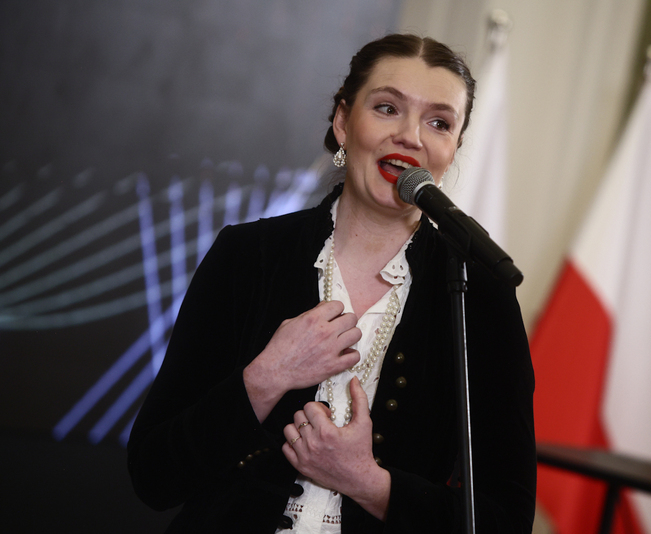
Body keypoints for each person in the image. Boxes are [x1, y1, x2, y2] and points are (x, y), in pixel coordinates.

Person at [127, 33, 536, 534]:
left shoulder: (480, 293)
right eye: (387, 108)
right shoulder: (247, 256)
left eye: (439, 122)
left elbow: (504, 521)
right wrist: (267, 376)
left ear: (452, 149)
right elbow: (153, 475)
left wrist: (369, 483)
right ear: (344, 122)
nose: (411, 136)